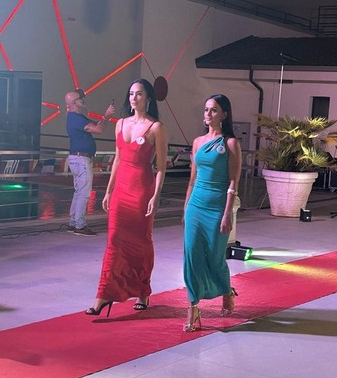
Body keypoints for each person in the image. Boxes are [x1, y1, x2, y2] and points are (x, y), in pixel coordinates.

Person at [85, 78, 168, 317]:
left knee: (141, 241)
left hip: (142, 189)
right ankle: (104, 295)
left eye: (139, 94)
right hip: (121, 189)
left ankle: (142, 291)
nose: (134, 98)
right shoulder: (120, 124)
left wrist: (156, 195)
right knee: (114, 241)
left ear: (148, 98)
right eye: (131, 93)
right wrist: (109, 190)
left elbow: (161, 167)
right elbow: (118, 159)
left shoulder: (156, 128)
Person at [182, 94, 242, 332]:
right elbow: (192, 178)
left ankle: (226, 291)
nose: (208, 114)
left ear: (224, 114)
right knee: (191, 255)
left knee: (215, 257)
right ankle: (193, 307)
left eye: (214, 110)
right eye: (206, 109)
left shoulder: (230, 143)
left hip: (217, 207)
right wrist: (186, 207)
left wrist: (227, 214)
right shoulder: (198, 142)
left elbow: (233, 182)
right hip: (195, 206)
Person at [66, 89, 115, 236]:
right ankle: (79, 225)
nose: (83, 99)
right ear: (74, 102)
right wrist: (106, 116)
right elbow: (99, 129)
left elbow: (99, 127)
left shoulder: (75, 118)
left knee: (79, 191)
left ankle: (73, 222)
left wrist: (105, 118)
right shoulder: (76, 118)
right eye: (81, 98)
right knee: (84, 193)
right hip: (81, 159)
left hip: (77, 158)